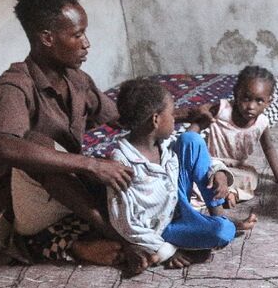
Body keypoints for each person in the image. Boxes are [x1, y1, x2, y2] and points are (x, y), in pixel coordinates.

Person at [0, 0, 223, 268]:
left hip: (72, 195)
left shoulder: (76, 79)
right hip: (34, 202)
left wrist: (181, 114)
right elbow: (2, 146)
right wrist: (90, 166)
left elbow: (125, 117)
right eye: (77, 34)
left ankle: (112, 235)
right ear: (47, 38)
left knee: (128, 170)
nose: (87, 43)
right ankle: (116, 236)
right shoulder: (15, 85)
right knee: (40, 145)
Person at [108, 79, 256, 275]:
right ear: (155, 120)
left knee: (191, 139)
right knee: (223, 232)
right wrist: (165, 251)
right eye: (171, 113)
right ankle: (206, 231)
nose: (174, 117)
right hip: (162, 227)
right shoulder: (122, 164)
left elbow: (194, 155)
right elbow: (124, 222)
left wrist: (218, 173)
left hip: (178, 202)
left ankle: (218, 215)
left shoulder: (161, 143)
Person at [188, 66, 278, 210]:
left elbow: (268, 147)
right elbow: (196, 127)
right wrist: (188, 142)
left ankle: (231, 193)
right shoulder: (222, 110)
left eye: (259, 101)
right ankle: (217, 192)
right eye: (246, 98)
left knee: (252, 177)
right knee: (198, 181)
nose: (251, 106)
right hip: (211, 162)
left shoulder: (262, 123)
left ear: (268, 102)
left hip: (236, 167)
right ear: (236, 94)